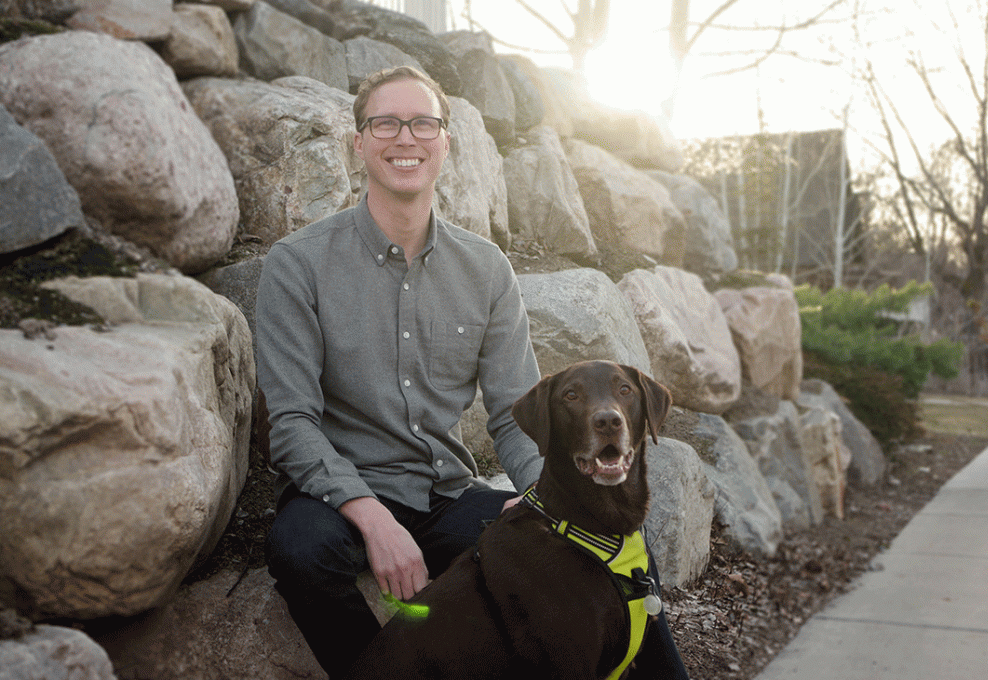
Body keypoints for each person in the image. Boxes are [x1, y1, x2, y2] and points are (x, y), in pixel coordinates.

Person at [256, 66, 689, 679]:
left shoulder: (486, 270)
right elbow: (293, 423)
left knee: (598, 548)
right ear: (359, 142)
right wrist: (373, 518)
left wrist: (550, 502)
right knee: (301, 552)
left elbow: (519, 417)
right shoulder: (297, 266)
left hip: (447, 494)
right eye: (386, 123)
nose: (406, 138)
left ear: (445, 142)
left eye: (423, 124)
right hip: (342, 497)